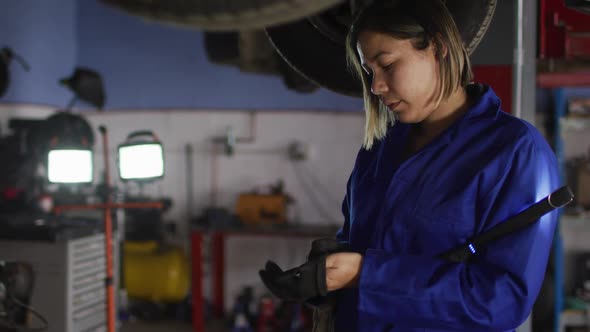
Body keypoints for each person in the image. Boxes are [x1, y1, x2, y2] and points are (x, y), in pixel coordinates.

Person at [260, 0, 561, 331]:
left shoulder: (514, 153)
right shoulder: (380, 150)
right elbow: (357, 244)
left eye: (387, 65)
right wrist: (323, 277)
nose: (376, 86)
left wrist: (366, 274)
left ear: (438, 48)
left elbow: (500, 301)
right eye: (369, 71)